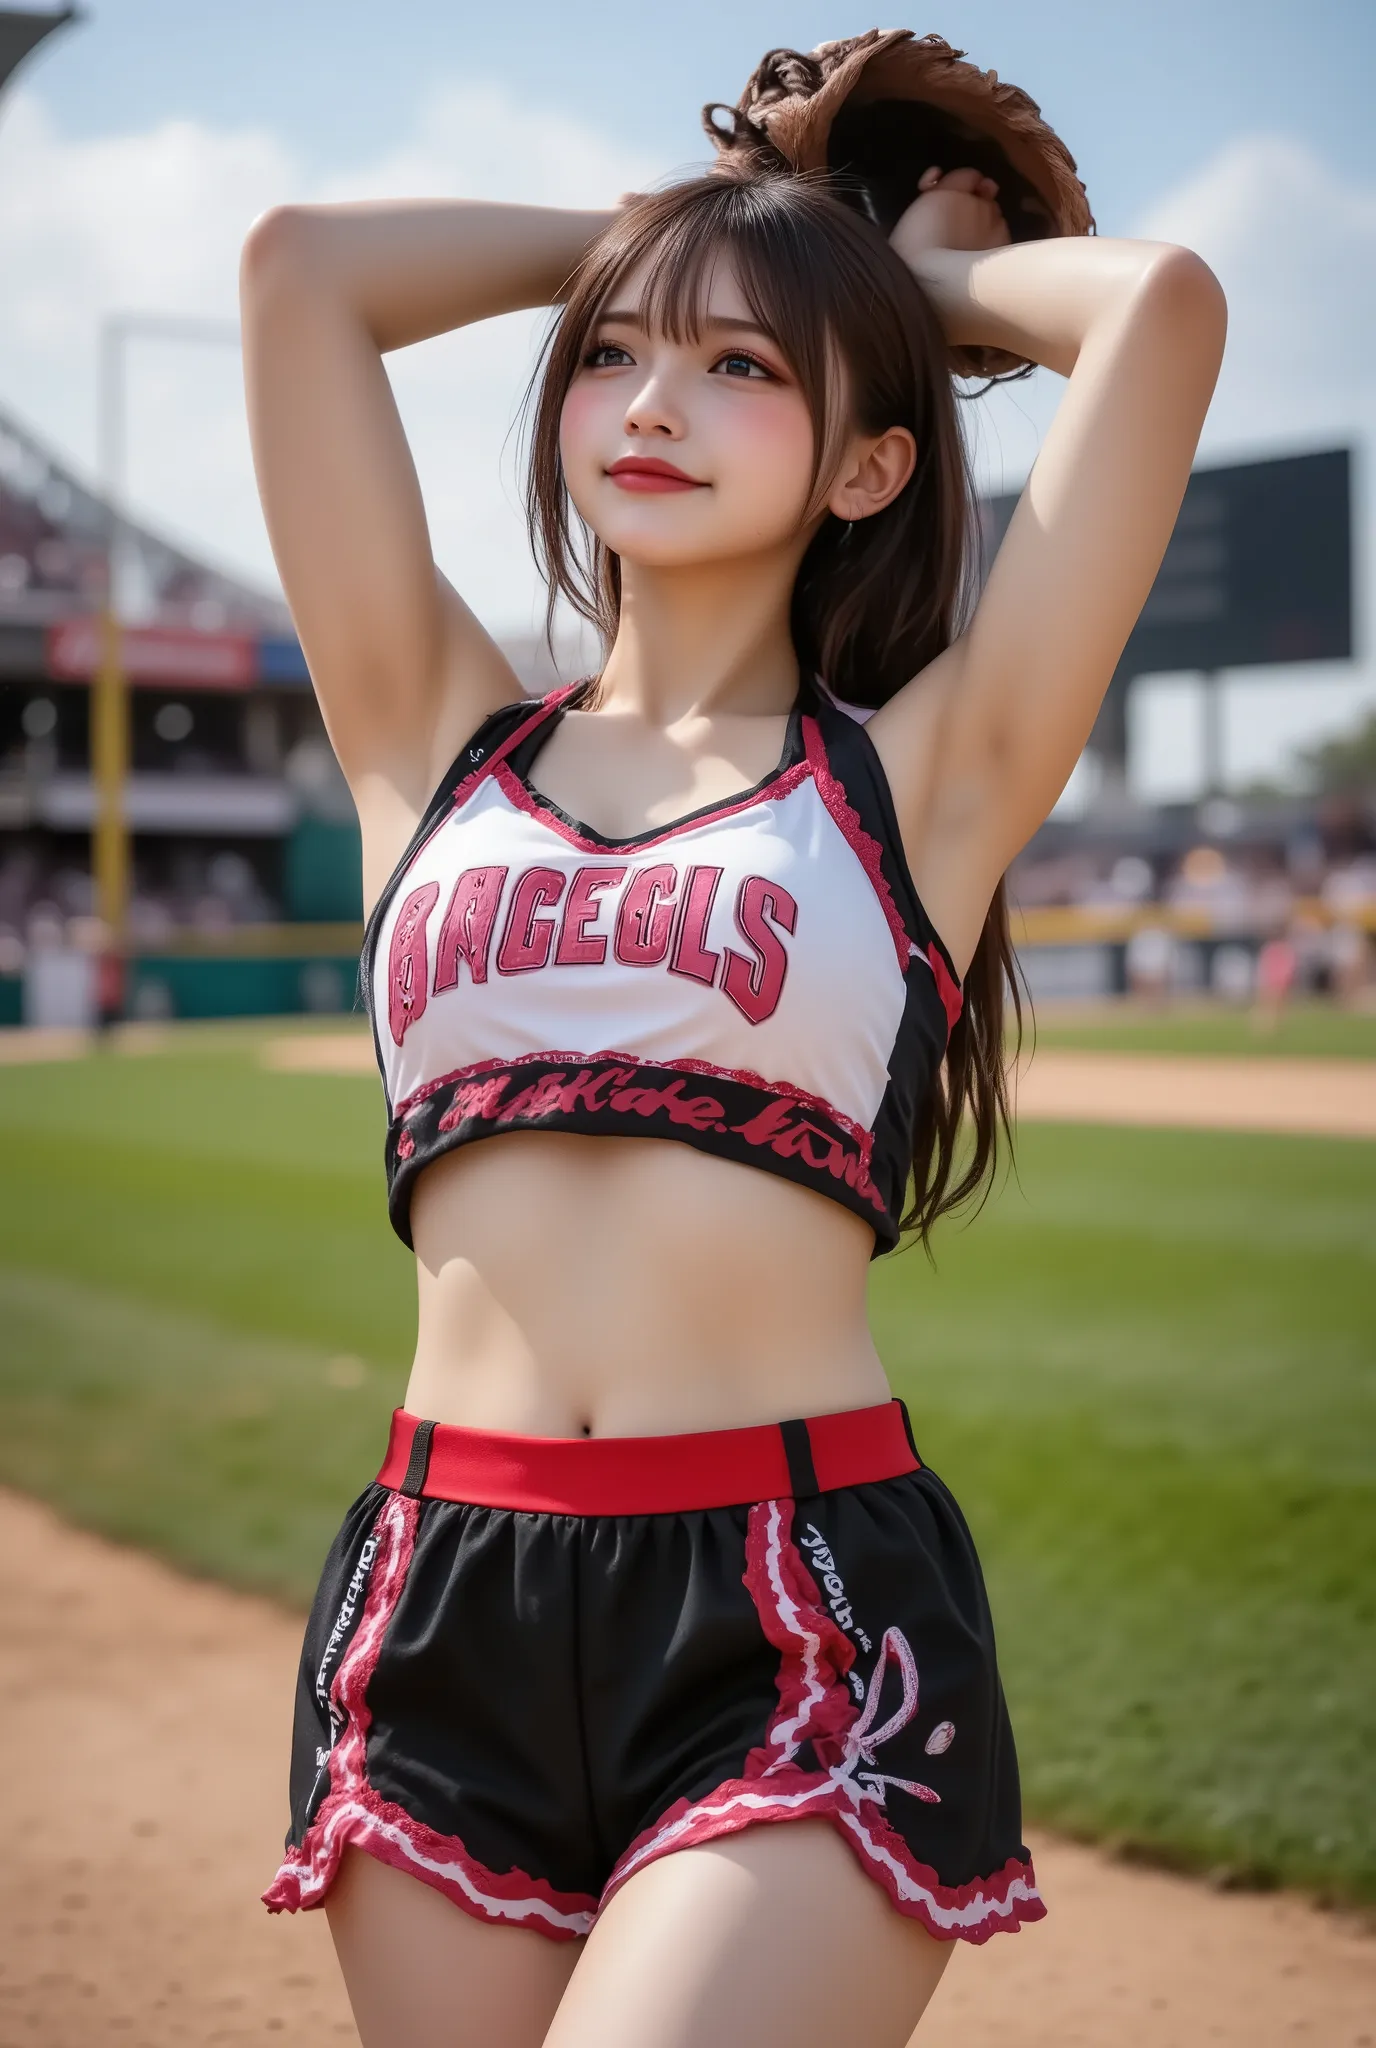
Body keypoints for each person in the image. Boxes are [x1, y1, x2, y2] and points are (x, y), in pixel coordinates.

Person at [240, 134, 1224, 2048]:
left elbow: (1159, 309)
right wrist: (688, 243)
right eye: (615, 354)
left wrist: (857, 276)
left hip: (796, 1606)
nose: (656, 403)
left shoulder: (923, 778)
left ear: (870, 463)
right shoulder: (426, 737)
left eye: (745, 369)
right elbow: (298, 276)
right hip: (440, 1585)